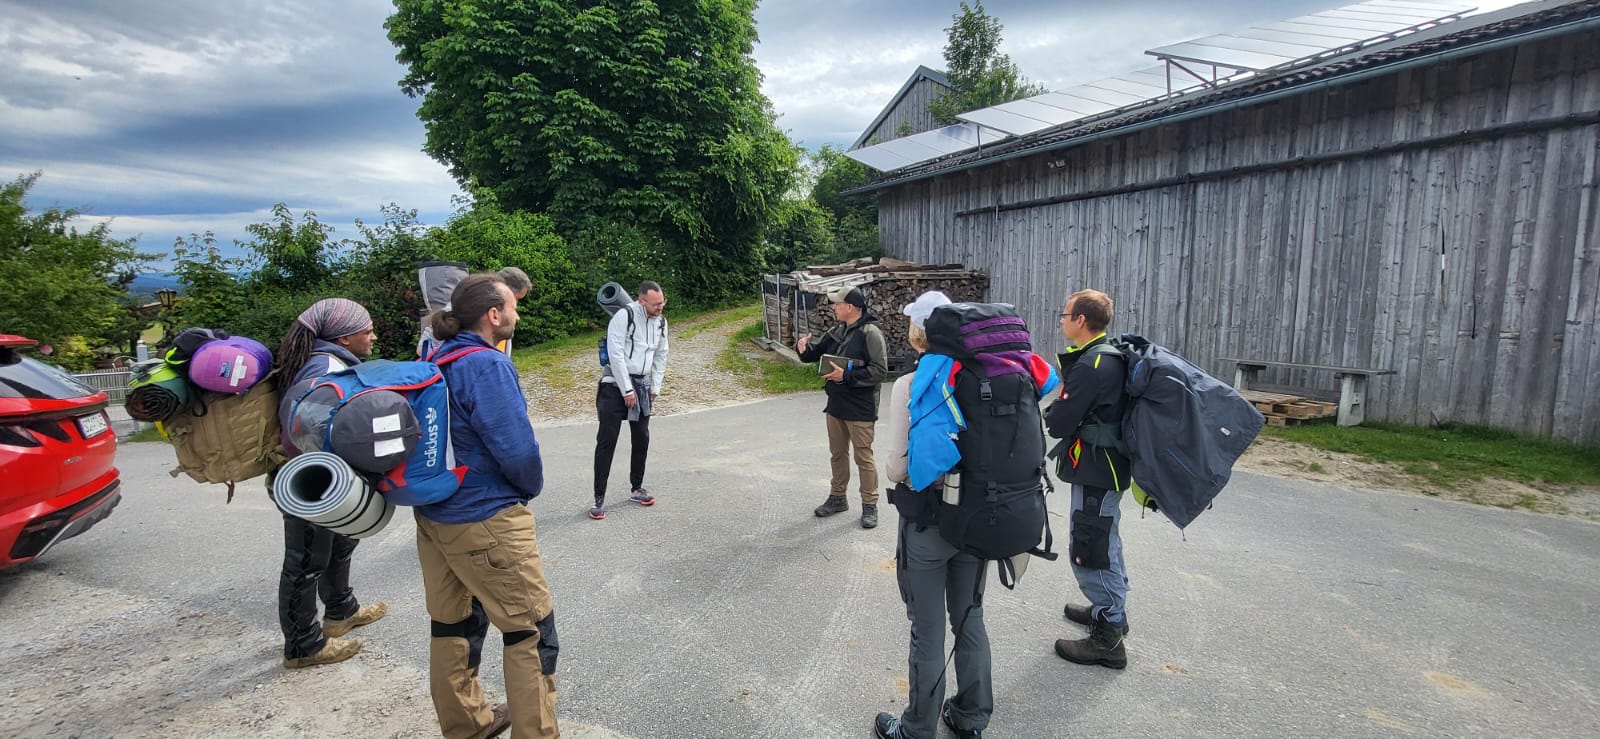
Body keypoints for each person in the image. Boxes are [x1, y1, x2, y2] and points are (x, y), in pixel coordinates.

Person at [416, 274, 560, 738]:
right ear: (493, 315)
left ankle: (467, 725)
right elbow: (516, 449)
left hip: (436, 516)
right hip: (486, 517)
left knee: (451, 626)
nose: (517, 314)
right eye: (510, 307)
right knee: (530, 633)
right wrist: (530, 488)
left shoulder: (437, 355)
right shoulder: (486, 364)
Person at [873, 291, 989, 739]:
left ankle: (917, 728)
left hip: (929, 519)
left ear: (919, 334)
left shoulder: (911, 384)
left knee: (927, 629)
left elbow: (899, 468)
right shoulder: (987, 377)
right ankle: (971, 716)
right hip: (979, 519)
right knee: (969, 617)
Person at [270, 298, 389, 669]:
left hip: (327, 471)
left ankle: (340, 611)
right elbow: (300, 426)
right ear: (344, 337)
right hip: (312, 475)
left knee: (340, 542)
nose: (372, 336)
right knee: (305, 560)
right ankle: (302, 645)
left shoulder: (331, 362)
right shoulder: (321, 367)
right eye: (366, 330)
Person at [1044, 289, 1133, 670]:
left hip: (1099, 466)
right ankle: (1108, 611)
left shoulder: (1092, 364)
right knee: (1103, 537)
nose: (1062, 321)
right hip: (1105, 464)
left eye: (1064, 315)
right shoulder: (1107, 356)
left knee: (1091, 543)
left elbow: (1060, 421)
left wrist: (1056, 410)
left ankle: (1109, 637)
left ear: (1081, 320)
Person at [796, 285, 888, 528]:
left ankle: (870, 505)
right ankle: (838, 498)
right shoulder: (837, 329)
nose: (834, 307)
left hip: (860, 407)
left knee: (863, 458)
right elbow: (816, 354)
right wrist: (803, 350)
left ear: (850, 307)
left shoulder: (871, 333)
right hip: (836, 404)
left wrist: (845, 376)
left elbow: (880, 371)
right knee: (837, 455)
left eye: (837, 304)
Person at [590, 280, 669, 520]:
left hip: (642, 385)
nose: (660, 308)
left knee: (642, 438)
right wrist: (626, 389)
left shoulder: (661, 323)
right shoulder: (623, 317)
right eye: (655, 304)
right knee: (607, 441)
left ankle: (637, 487)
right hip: (614, 386)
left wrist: (655, 387)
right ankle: (598, 498)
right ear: (641, 300)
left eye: (662, 303)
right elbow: (615, 354)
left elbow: (661, 354)